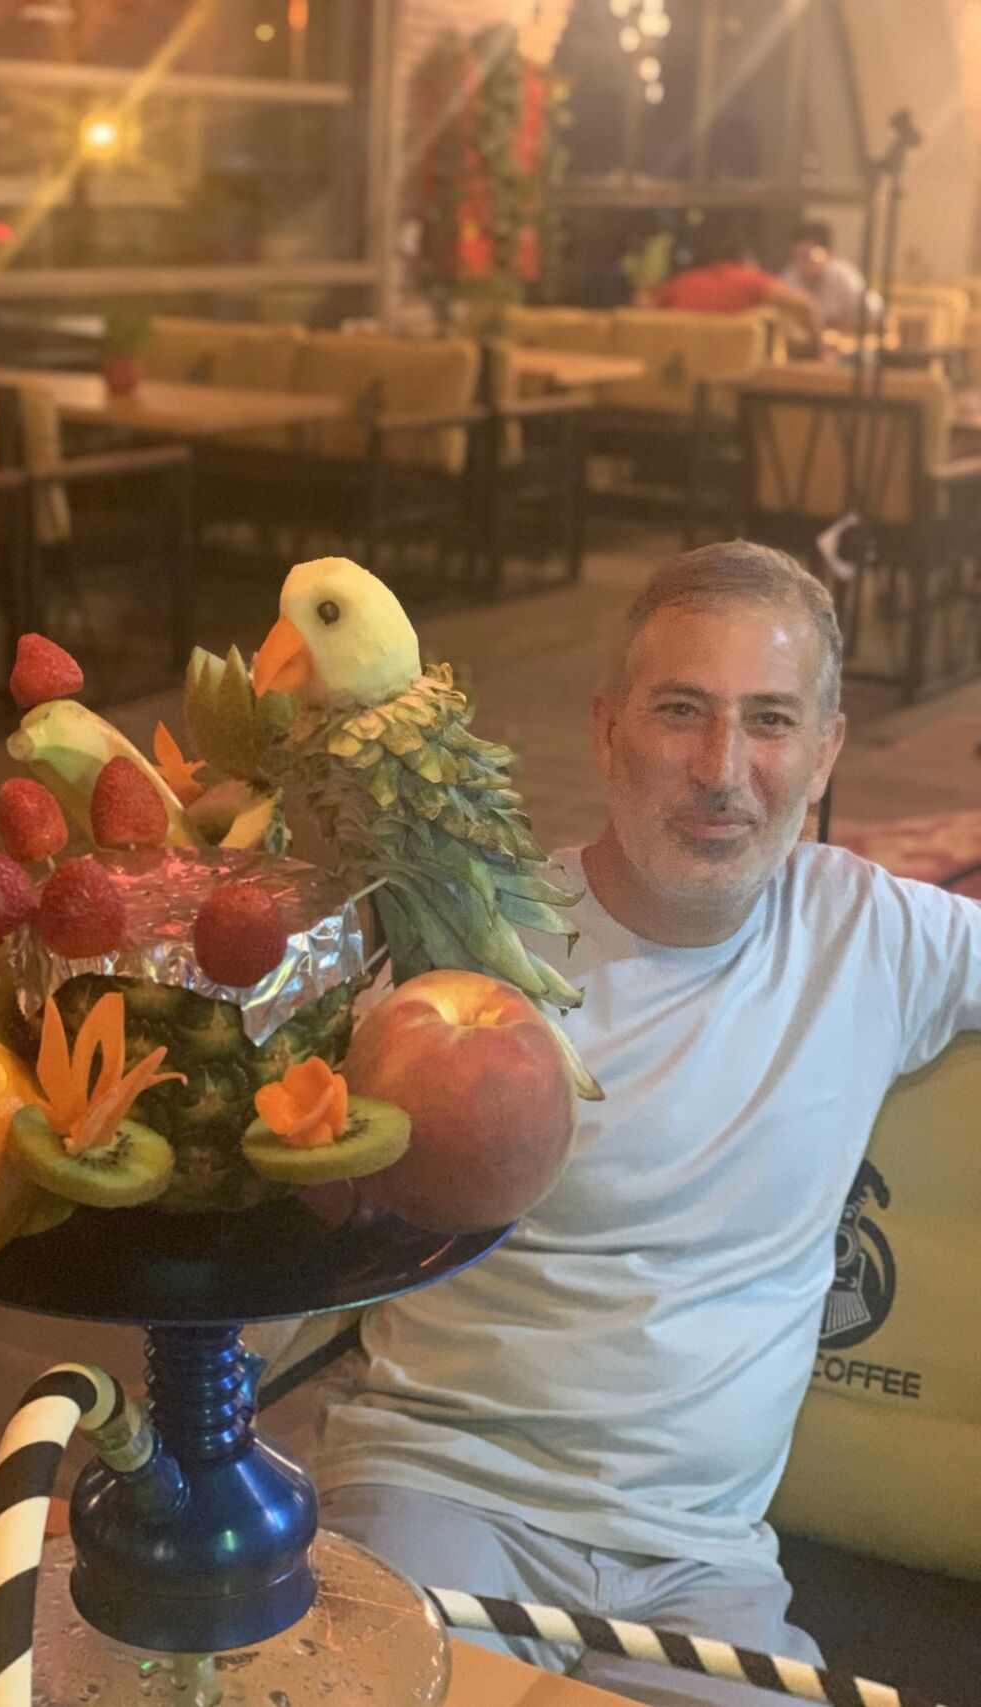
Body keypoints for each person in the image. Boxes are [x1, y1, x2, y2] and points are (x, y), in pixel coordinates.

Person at [311, 541, 981, 1705]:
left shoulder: (873, 937)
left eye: (769, 721)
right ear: (605, 728)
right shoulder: (476, 941)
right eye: (680, 711)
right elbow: (310, 1207)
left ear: (823, 751)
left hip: (702, 1564)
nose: (721, 770)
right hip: (443, 1493)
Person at [639, 241, 824, 352]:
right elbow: (807, 306)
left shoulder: (685, 281)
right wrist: (818, 351)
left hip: (679, 371)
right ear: (747, 261)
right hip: (734, 380)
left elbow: (643, 304)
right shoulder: (751, 279)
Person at [780, 219, 880, 337]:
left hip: (848, 340)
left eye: (806, 256)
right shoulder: (790, 276)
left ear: (827, 252)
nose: (800, 264)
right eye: (796, 257)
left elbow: (872, 312)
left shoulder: (844, 276)